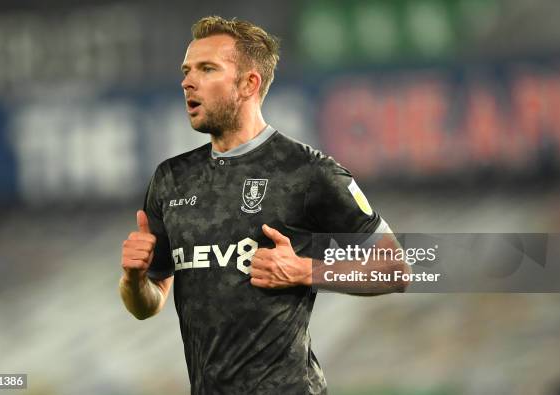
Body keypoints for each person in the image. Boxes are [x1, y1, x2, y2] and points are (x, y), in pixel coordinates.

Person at [119, 15, 410, 395]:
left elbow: (395, 268)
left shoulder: (307, 171)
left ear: (248, 83)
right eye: (186, 70)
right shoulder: (171, 178)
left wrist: (305, 269)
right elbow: (148, 302)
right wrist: (133, 280)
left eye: (207, 69)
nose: (187, 81)